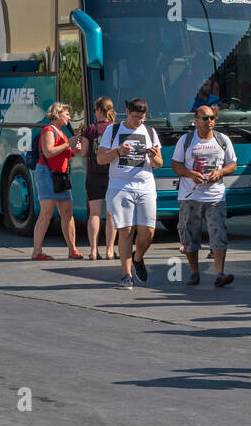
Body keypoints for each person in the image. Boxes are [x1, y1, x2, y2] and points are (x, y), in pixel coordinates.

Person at [97, 98, 164, 290]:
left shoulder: (150, 132)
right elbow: (101, 159)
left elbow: (159, 163)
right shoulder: (113, 130)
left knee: (148, 233)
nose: (138, 122)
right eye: (135, 117)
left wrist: (153, 156)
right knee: (126, 231)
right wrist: (117, 151)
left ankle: (138, 257)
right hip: (120, 186)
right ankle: (126, 276)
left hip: (145, 186)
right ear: (127, 112)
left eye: (142, 118)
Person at [172, 104, 238, 287]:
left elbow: (232, 164)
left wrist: (220, 172)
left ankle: (219, 274)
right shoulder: (186, 140)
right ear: (196, 121)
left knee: (218, 234)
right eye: (205, 118)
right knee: (190, 235)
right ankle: (194, 272)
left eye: (212, 118)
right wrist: (190, 173)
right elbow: (175, 165)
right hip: (190, 197)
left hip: (215, 197)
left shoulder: (222, 140)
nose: (209, 121)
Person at [31, 102, 84, 261]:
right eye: (66, 114)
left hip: (60, 175)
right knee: (46, 213)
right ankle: (37, 251)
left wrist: (74, 152)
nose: (69, 117)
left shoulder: (61, 131)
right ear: (57, 114)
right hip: (47, 173)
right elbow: (48, 153)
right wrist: (68, 144)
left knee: (67, 212)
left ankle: (72, 250)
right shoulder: (48, 130)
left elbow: (62, 155)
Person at [83, 97, 117, 259]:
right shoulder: (116, 129)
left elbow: (84, 153)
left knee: (95, 214)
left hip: (94, 175)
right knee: (111, 214)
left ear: (98, 110)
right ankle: (110, 250)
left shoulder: (90, 129)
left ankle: (93, 251)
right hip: (113, 175)